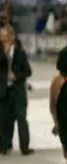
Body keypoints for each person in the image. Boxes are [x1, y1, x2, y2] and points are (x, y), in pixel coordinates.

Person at [0, 24, 33, 155]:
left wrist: (16, 76)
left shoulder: (20, 53)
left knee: (21, 118)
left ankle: (25, 146)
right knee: (4, 119)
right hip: (3, 91)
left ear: (11, 37)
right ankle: (4, 145)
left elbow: (28, 72)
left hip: (18, 91)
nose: (2, 37)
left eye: (4, 35)